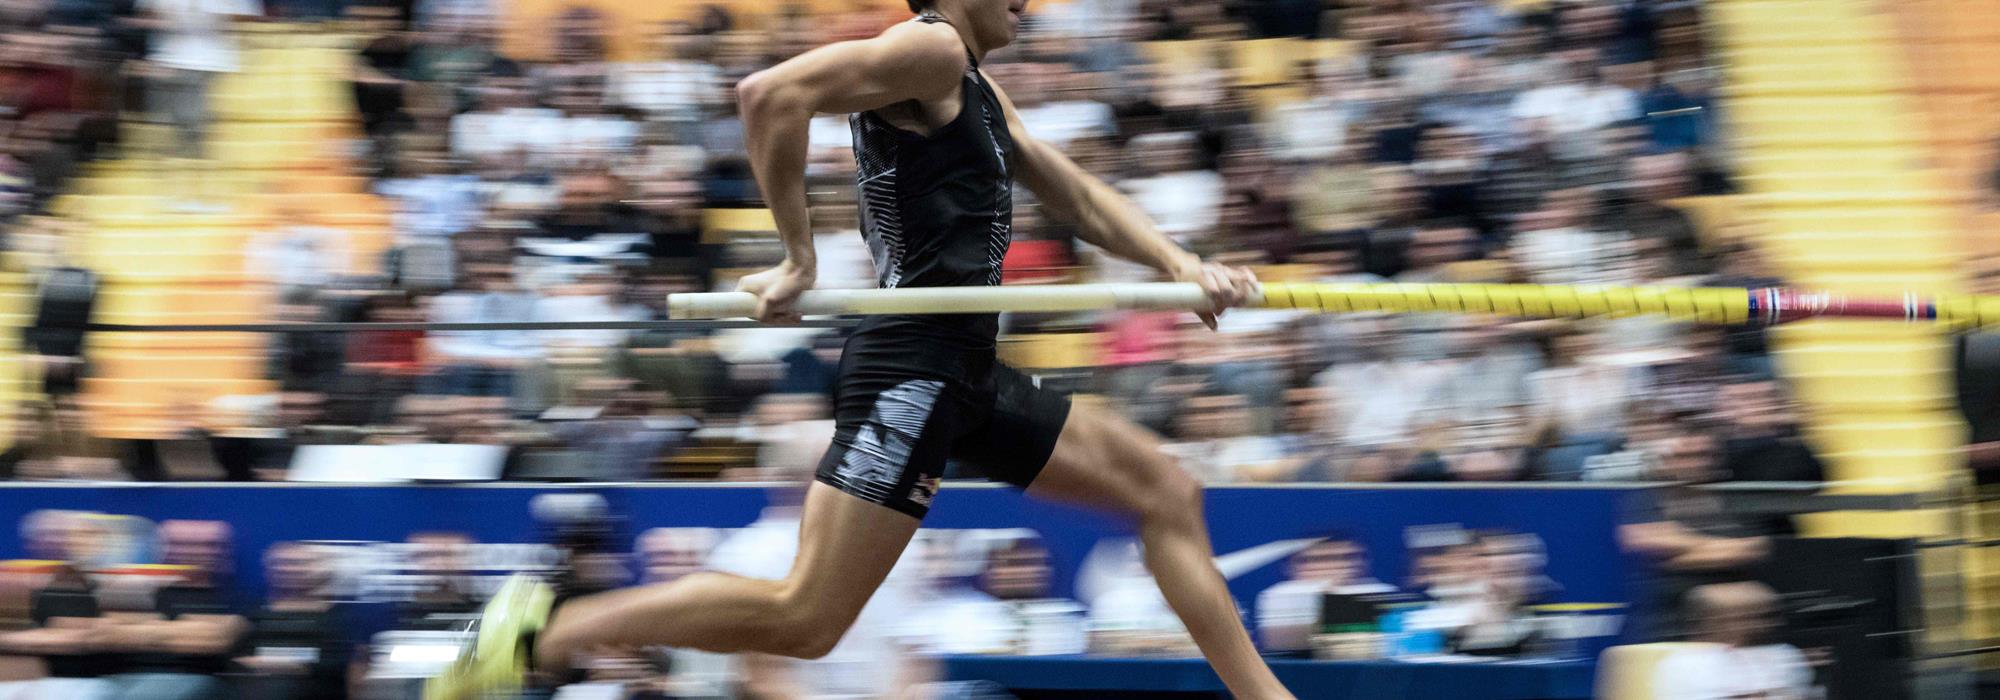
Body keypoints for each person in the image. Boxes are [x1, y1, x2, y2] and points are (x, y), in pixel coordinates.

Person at [425, 1, 1289, 698]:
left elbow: (1075, 193)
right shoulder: (932, 48)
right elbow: (770, 94)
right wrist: (797, 258)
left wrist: (1182, 266)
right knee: (806, 619)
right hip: (913, 366)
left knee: (1166, 493)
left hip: (963, 367)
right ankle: (548, 632)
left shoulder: (974, 82)